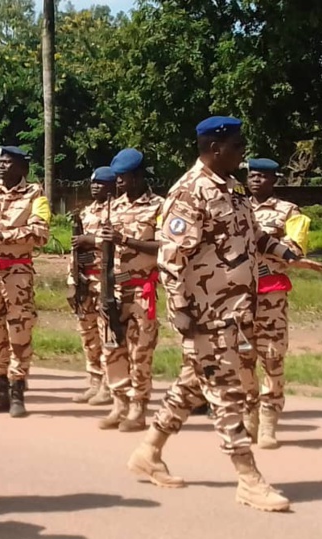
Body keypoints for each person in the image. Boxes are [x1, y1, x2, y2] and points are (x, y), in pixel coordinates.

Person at [127, 116, 302, 513]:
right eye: (238, 146)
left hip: (237, 309)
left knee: (192, 382)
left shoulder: (234, 189)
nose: (244, 153)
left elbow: (252, 235)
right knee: (227, 392)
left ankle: (149, 451)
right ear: (215, 148)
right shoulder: (189, 192)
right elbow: (171, 258)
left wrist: (284, 252)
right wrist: (181, 311)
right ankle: (249, 478)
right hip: (207, 312)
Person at [245, 158, 322, 448]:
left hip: (270, 294)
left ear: (274, 180)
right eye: (252, 175)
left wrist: (266, 241)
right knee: (242, 359)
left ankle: (268, 421)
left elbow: (295, 248)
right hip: (239, 295)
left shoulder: (289, 211)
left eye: (262, 176)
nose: (256, 180)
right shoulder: (236, 207)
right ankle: (248, 417)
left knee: (272, 357)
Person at [0, 146, 50, 418]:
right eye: (0, 162)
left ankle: (18, 391)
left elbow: (40, 233)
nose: (2, 167)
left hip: (17, 274)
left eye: (8, 163)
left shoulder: (35, 195)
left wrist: (0, 235)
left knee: (20, 332)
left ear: (22, 169)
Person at [97, 149, 163, 432]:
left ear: (137, 176)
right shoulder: (113, 206)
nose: (119, 183)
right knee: (112, 348)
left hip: (141, 290)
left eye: (123, 178)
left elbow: (165, 246)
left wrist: (126, 239)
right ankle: (119, 403)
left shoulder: (159, 207)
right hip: (113, 288)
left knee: (140, 351)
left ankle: (138, 407)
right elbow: (103, 248)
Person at [70, 166, 116, 405]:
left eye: (102, 183)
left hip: (106, 280)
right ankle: (94, 380)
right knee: (88, 333)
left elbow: (116, 241)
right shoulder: (87, 212)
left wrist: (92, 240)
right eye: (94, 183)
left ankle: (109, 385)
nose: (96, 186)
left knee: (105, 331)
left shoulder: (116, 211)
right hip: (86, 281)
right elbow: (76, 251)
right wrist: (73, 279)